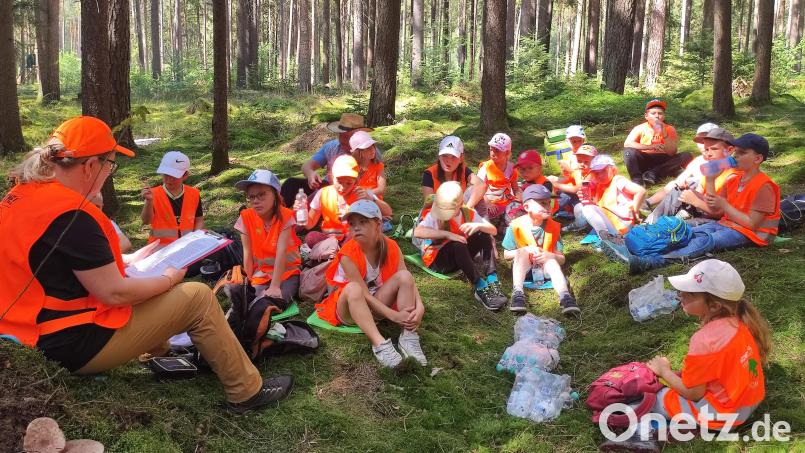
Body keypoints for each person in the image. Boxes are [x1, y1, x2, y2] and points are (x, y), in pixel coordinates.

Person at [0, 116, 291, 414]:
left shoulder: (19, 196)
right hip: (64, 342)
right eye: (110, 165)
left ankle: (162, 353)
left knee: (159, 291)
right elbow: (114, 294)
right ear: (90, 166)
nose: (109, 175)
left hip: (20, 330)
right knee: (199, 297)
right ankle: (246, 392)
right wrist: (168, 279)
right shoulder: (74, 214)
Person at [600, 260, 769, 451]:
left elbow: (693, 393)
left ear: (713, 306)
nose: (680, 296)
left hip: (724, 414)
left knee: (648, 400)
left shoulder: (704, 339)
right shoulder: (741, 321)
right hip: (748, 403)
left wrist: (663, 371)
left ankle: (646, 435)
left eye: (689, 295)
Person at [602, 134, 780, 274]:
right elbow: (714, 207)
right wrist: (710, 179)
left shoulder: (764, 186)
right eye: (736, 152)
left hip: (751, 235)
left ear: (757, 159)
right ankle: (633, 247)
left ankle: (651, 261)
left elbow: (751, 223)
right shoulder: (735, 180)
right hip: (727, 224)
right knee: (689, 232)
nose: (736, 156)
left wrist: (724, 206)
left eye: (742, 153)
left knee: (706, 240)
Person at [314, 200, 427, 368]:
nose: (356, 228)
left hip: (376, 304)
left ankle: (408, 335)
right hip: (350, 309)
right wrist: (393, 315)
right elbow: (364, 295)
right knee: (354, 288)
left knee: (403, 276)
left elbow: (408, 279)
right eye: (352, 224)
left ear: (378, 224)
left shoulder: (391, 246)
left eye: (363, 222)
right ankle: (379, 343)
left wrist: (420, 308)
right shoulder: (347, 254)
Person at [413, 181, 508, 311]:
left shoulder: (467, 212)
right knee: (457, 244)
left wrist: (479, 225)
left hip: (460, 255)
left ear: (459, 205)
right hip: (438, 261)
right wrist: (447, 234)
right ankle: (479, 286)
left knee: (483, 234)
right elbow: (418, 232)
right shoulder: (434, 215)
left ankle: (492, 279)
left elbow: (493, 231)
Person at [502, 185, 579, 316]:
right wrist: (525, 249)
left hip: (545, 269)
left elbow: (562, 258)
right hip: (524, 270)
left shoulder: (553, 227)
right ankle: (518, 293)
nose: (548, 207)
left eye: (549, 203)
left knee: (553, 261)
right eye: (542, 203)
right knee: (520, 252)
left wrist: (550, 256)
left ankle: (565, 297)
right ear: (527, 207)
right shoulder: (515, 226)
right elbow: (506, 254)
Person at [279, 113, 383, 207]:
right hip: (329, 186)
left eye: (348, 138)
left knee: (321, 196)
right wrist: (311, 174)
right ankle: (280, 213)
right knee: (291, 184)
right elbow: (307, 166)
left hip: (352, 190)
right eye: (341, 135)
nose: (342, 140)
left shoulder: (370, 152)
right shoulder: (331, 147)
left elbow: (376, 179)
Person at [234, 169, 301, 309]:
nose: (256, 201)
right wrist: (249, 282)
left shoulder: (286, 216)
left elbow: (281, 252)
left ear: (276, 194)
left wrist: (275, 286)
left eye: (262, 195)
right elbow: (247, 254)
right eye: (251, 197)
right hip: (262, 273)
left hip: (287, 272)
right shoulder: (245, 217)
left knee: (275, 300)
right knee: (249, 300)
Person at [645, 127, 738, 223]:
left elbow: (720, 213)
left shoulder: (732, 176)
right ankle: (650, 223)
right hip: (704, 210)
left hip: (717, 221)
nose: (708, 154)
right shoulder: (712, 168)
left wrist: (695, 201)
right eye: (706, 149)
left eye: (714, 149)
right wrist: (690, 192)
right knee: (678, 191)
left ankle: (662, 227)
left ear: (730, 150)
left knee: (680, 226)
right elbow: (702, 193)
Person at [297, 154, 392, 246]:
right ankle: (337, 252)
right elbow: (309, 225)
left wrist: (371, 198)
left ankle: (341, 254)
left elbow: (388, 212)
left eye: (349, 183)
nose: (343, 187)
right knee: (311, 237)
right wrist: (302, 210)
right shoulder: (323, 193)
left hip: (352, 237)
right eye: (339, 182)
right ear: (332, 177)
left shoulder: (362, 193)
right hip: (330, 239)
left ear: (356, 181)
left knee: (354, 239)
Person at [141, 151, 204, 245]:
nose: (169, 180)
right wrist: (149, 201)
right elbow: (146, 221)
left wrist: (195, 238)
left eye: (174, 176)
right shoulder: (153, 194)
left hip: (187, 245)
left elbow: (199, 220)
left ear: (185, 175)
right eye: (166, 175)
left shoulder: (194, 193)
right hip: (159, 248)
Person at [623, 99, 692, 186]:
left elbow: (672, 152)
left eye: (660, 113)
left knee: (686, 155)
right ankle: (637, 180)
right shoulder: (640, 128)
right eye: (653, 113)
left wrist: (664, 133)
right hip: (645, 158)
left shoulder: (669, 129)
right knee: (628, 151)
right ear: (646, 116)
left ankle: (653, 173)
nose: (657, 116)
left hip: (664, 159)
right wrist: (651, 147)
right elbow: (627, 143)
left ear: (663, 116)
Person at [579, 155, 647, 237]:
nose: (600, 175)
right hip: (613, 224)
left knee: (588, 209)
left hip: (625, 224)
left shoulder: (618, 180)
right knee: (586, 208)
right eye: (596, 173)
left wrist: (635, 211)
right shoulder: (600, 186)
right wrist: (589, 202)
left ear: (613, 169)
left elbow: (640, 191)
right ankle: (607, 238)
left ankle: (608, 239)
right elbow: (602, 207)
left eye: (604, 171)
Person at [420, 135, 486, 214]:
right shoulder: (429, 174)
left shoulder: (463, 170)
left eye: (453, 157)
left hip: (459, 212)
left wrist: (467, 208)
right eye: (445, 156)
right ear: (439, 157)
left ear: (461, 158)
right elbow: (429, 201)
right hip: (436, 214)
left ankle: (481, 224)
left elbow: (481, 185)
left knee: (475, 193)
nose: (448, 161)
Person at [550, 143, 599, 232]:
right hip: (580, 199)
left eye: (586, 162)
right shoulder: (578, 172)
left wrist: (556, 184)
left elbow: (575, 189)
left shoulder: (592, 174)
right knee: (562, 193)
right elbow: (567, 179)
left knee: (579, 209)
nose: (582, 164)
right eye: (579, 161)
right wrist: (554, 180)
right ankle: (550, 212)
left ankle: (578, 225)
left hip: (592, 204)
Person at [477, 132, 520, 227]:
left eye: (497, 150)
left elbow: (516, 188)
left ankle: (505, 225)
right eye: (491, 150)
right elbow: (478, 189)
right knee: (484, 215)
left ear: (507, 152)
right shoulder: (486, 167)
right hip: (490, 203)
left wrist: (520, 198)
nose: (493, 153)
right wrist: (487, 203)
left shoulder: (511, 168)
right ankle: (499, 226)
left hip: (506, 202)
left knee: (517, 211)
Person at [505, 149, 555, 221]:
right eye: (521, 169)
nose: (525, 172)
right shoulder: (527, 182)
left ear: (540, 168)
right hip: (529, 209)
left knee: (514, 210)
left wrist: (523, 198)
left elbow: (544, 204)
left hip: (543, 213)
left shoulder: (545, 184)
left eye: (530, 168)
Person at [349, 130, 387, 199]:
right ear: (358, 152)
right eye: (367, 148)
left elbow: (381, 189)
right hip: (356, 201)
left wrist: (368, 193)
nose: (372, 149)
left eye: (372, 146)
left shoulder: (378, 166)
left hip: (374, 202)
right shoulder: (351, 167)